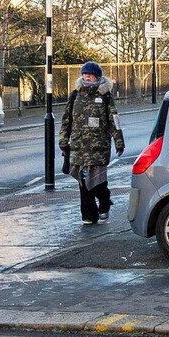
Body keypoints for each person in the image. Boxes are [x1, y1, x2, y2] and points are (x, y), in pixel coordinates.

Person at [60, 60, 125, 224]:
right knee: (83, 182)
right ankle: (89, 215)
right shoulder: (75, 94)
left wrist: (119, 141)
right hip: (79, 146)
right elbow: (66, 119)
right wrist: (63, 140)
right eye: (84, 74)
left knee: (98, 182)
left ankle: (104, 201)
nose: (86, 77)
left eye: (89, 74)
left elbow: (113, 120)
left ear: (97, 76)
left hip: (98, 146)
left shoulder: (105, 95)